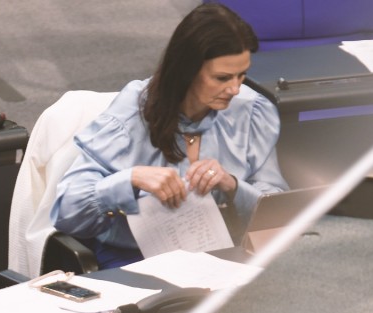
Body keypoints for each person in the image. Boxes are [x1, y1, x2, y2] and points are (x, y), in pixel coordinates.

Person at [51, 3, 288, 268]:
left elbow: (276, 205)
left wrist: (231, 185)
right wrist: (131, 179)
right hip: (136, 258)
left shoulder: (251, 110)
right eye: (222, 78)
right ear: (187, 71)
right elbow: (66, 210)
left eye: (241, 75)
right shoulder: (132, 114)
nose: (234, 89)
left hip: (221, 253)